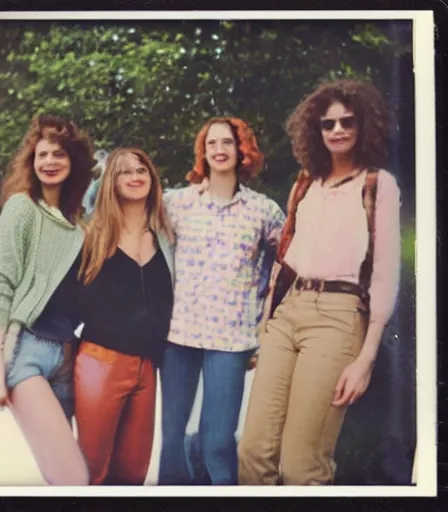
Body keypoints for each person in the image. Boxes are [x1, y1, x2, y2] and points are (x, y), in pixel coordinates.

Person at [237, 79, 401, 485]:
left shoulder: (376, 184)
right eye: (328, 124)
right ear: (316, 130)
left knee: (302, 464)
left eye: (348, 121)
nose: (338, 130)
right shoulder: (305, 183)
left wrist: (365, 358)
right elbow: (285, 258)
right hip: (288, 313)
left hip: (339, 317)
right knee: (254, 452)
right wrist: (266, 322)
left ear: (364, 126)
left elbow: (384, 273)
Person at [158, 117, 286, 485]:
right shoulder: (176, 203)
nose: (219, 150)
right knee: (171, 439)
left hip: (231, 338)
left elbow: (289, 263)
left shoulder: (262, 210)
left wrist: (266, 314)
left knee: (217, 442)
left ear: (241, 149)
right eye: (211, 143)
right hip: (178, 333)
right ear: (203, 152)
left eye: (227, 142)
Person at [0, 114, 95, 485]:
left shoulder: (77, 225)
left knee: (58, 475)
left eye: (58, 154)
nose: (49, 162)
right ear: (31, 163)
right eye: (42, 154)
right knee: (74, 477)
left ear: (72, 161)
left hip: (66, 354)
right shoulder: (21, 209)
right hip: (25, 352)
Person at [73, 148, 174, 485]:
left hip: (147, 367)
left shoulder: (167, 237)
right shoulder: (93, 237)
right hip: (101, 363)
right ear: (111, 182)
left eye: (141, 169)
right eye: (124, 171)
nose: (135, 176)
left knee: (133, 472)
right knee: (91, 470)